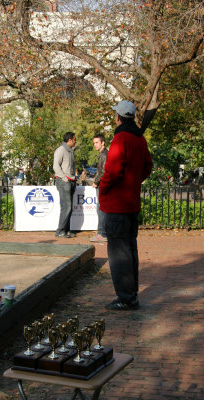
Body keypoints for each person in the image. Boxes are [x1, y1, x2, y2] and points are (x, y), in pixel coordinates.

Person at [99, 100, 152, 310]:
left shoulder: (120, 138)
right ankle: (131, 295)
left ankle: (125, 298)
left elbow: (111, 171)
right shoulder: (140, 139)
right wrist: (135, 181)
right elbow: (148, 165)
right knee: (130, 250)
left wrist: (102, 189)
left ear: (118, 117)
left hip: (117, 205)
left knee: (119, 254)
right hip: (132, 204)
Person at [53, 132, 77, 238]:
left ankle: (66, 230)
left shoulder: (70, 151)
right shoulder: (61, 150)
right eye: (74, 139)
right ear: (70, 140)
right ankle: (60, 231)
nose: (76, 141)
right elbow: (55, 166)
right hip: (64, 182)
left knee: (69, 207)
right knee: (66, 207)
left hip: (70, 181)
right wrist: (64, 178)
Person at [90, 134, 108, 242]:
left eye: (96, 142)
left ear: (103, 142)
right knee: (101, 209)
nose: (95, 145)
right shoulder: (102, 154)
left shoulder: (104, 154)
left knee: (101, 209)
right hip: (102, 184)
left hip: (102, 185)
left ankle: (102, 234)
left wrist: (96, 182)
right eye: (94, 143)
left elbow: (103, 171)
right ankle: (102, 233)